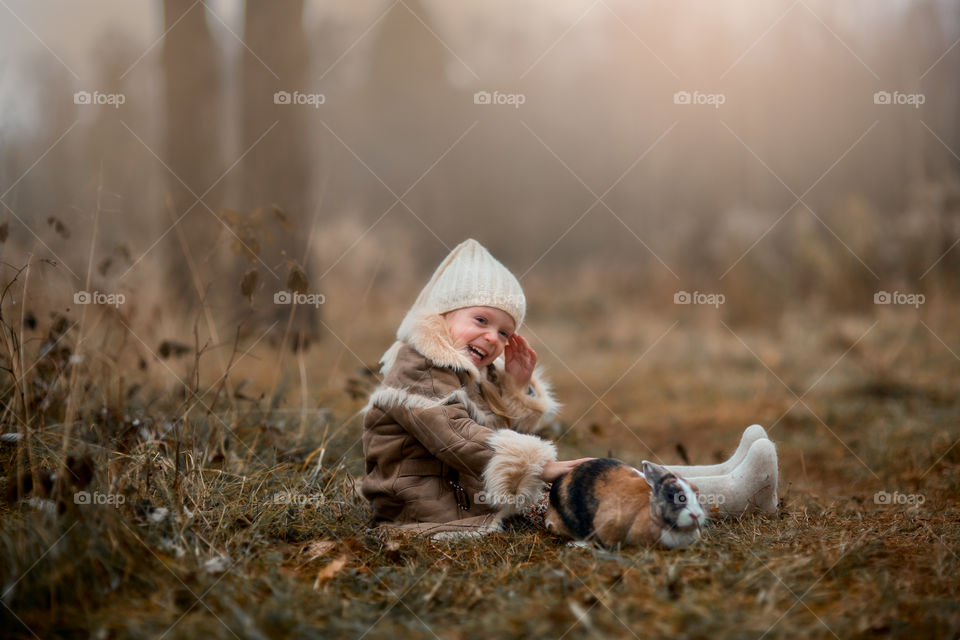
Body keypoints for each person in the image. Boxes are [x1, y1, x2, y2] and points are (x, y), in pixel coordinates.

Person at [361, 239, 778, 538]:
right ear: (442, 316)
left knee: (599, 475)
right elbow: (457, 437)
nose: (494, 339)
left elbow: (491, 438)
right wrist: (539, 467)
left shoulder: (463, 370)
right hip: (427, 513)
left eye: (505, 332)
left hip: (470, 496)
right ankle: (732, 496)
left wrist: (513, 388)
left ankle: (725, 475)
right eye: (481, 320)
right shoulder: (417, 367)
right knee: (597, 486)